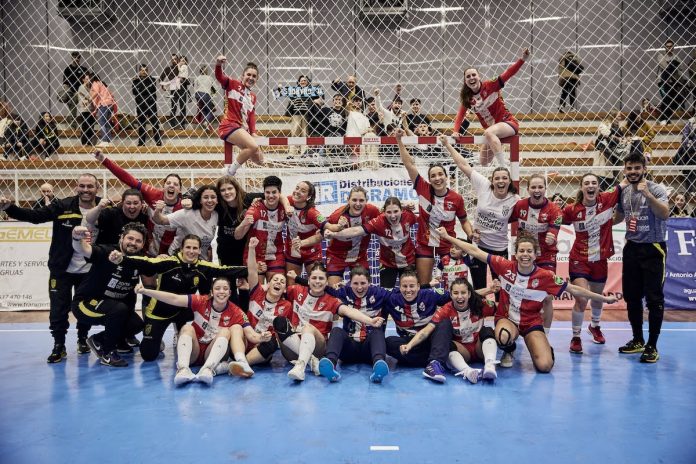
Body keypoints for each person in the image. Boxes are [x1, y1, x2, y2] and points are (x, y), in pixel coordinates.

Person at [438, 229, 617, 373]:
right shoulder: (504, 266)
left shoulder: (545, 276)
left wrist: (603, 298)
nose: (525, 254)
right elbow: (475, 251)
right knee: (502, 336)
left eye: (529, 251)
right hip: (507, 319)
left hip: (531, 322)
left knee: (544, 366)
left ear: (536, 254)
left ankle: (544, 347)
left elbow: (574, 289)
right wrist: (448, 237)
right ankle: (509, 350)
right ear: (515, 254)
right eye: (521, 251)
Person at [0, 174, 99, 362]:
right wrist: (9, 208)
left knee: (84, 308)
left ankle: (82, 339)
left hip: (89, 271)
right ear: (76, 187)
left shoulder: (104, 207)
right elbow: (35, 216)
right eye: (82, 186)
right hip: (61, 269)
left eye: (90, 186)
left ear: (97, 188)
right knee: (58, 310)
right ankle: (59, 345)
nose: (86, 190)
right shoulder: (63, 205)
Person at [114, 234, 247, 362]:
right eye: (188, 247)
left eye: (195, 248)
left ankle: (185, 333)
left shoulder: (203, 266)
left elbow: (226, 270)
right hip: (159, 312)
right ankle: (156, 340)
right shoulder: (168, 262)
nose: (191, 251)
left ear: (199, 250)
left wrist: (252, 270)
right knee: (148, 355)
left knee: (203, 306)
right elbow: (146, 262)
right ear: (181, 249)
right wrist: (122, 260)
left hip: (183, 312)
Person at [135, 276, 261, 385]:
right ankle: (183, 370)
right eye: (217, 288)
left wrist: (263, 337)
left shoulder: (236, 311)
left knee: (226, 331)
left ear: (230, 293)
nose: (221, 292)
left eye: (225, 289)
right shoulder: (201, 301)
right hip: (194, 352)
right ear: (211, 292)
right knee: (187, 328)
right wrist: (146, 291)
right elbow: (174, 298)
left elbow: (251, 334)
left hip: (211, 352)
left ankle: (208, 369)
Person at [275, 264, 385, 382]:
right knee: (279, 321)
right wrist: (266, 286)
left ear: (327, 282)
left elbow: (349, 311)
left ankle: (300, 366)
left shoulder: (332, 300)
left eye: (321, 278)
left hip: (317, 347)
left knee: (308, 327)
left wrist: (370, 321)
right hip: (292, 348)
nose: (317, 281)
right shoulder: (295, 290)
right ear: (308, 279)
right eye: (314, 278)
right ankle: (312, 362)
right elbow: (275, 292)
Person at [442, 135, 518, 296]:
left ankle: (500, 312)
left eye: (504, 178)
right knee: (478, 288)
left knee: (501, 290)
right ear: (492, 181)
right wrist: (447, 145)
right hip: (477, 245)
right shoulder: (484, 185)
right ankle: (479, 313)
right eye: (497, 178)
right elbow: (463, 164)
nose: (501, 181)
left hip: (499, 248)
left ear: (509, 181)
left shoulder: (515, 200)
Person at [397, 130, 473, 285]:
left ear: (446, 176)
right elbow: (409, 164)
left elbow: (464, 220)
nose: (437, 178)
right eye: (433, 176)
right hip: (425, 244)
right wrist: (399, 140)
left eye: (440, 174)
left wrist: (471, 234)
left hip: (448, 246)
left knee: (453, 285)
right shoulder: (423, 188)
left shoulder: (456, 198)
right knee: (424, 285)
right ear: (429, 179)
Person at [615, 151, 670, 363]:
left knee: (654, 298)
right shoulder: (624, 191)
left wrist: (648, 195)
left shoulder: (656, 189)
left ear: (644, 169)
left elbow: (664, 214)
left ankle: (652, 345)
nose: (633, 171)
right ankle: (638, 339)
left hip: (653, 248)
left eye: (637, 168)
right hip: (632, 247)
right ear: (624, 170)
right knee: (632, 297)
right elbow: (618, 217)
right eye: (629, 168)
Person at [70, 223, 147, 367]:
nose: (133, 243)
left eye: (138, 241)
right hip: (85, 304)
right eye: (130, 238)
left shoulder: (139, 261)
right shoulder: (108, 252)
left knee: (136, 324)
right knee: (119, 309)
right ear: (122, 238)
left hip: (112, 307)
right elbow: (84, 249)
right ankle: (108, 353)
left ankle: (99, 340)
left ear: (143, 244)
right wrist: (76, 238)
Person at [562, 173, 622, 354]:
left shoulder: (607, 199)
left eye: (594, 183)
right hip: (579, 259)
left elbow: (626, 180)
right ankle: (576, 337)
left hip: (600, 259)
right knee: (581, 298)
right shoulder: (571, 210)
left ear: (598, 187)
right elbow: (553, 221)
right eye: (586, 183)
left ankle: (595, 326)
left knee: (596, 297)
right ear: (581, 187)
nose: (590, 185)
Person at [408, 277, 498, 384]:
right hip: (462, 351)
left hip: (480, 347)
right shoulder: (445, 310)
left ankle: (490, 366)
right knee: (446, 345)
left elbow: (501, 312)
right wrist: (409, 345)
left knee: (487, 330)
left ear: (469, 294)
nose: (459, 296)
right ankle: (467, 371)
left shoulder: (481, 304)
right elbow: (426, 331)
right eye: (455, 293)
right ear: (450, 295)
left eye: (463, 293)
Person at [309, 266, 390, 383]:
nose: (359, 287)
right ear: (349, 283)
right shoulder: (344, 292)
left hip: (370, 350)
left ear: (369, 282)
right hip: (349, 349)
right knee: (336, 331)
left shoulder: (379, 294)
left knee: (378, 331)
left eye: (363, 283)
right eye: (355, 283)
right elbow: (319, 287)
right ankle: (330, 364)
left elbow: (399, 296)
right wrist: (297, 278)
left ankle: (378, 366)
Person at [95, 151, 183, 257]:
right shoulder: (153, 194)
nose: (171, 186)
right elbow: (128, 179)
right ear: (163, 187)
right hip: (146, 250)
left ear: (180, 190)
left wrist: (190, 201)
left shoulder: (184, 207)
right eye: (168, 183)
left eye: (175, 184)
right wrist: (104, 160)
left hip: (169, 253)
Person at [453, 47, 530, 166]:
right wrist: (455, 131)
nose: (471, 78)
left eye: (473, 75)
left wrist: (523, 59)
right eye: (468, 76)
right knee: (483, 161)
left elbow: (509, 73)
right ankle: (510, 162)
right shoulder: (467, 97)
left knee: (488, 132)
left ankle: (503, 167)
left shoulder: (491, 85)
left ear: (479, 77)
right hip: (492, 132)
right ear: (465, 81)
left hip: (508, 124)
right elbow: (460, 115)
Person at [229, 237, 292, 373]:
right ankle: (241, 362)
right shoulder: (257, 292)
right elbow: (252, 271)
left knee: (272, 342)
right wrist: (252, 248)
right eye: (275, 280)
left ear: (284, 290)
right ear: (268, 284)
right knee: (236, 328)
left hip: (262, 349)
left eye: (282, 282)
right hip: (245, 340)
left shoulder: (287, 306)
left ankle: (242, 364)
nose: (278, 282)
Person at [509, 174, 562, 332]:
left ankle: (546, 335)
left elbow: (554, 231)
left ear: (545, 189)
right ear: (528, 189)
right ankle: (516, 329)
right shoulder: (520, 206)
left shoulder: (554, 209)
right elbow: (504, 218)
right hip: (524, 256)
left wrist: (552, 236)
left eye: (540, 187)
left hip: (545, 256)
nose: (537, 190)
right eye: (533, 187)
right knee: (517, 294)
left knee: (547, 297)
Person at [325, 196, 416, 288]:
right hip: (387, 264)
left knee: (411, 290)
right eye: (389, 212)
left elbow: (423, 222)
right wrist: (334, 234)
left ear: (401, 210)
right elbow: (355, 231)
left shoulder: (409, 216)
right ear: (384, 212)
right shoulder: (378, 222)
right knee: (385, 294)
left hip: (408, 261)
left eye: (396, 211)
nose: (393, 216)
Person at [382, 268, 453, 383]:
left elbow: (457, 297)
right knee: (388, 342)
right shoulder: (391, 299)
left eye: (412, 286)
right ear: (399, 287)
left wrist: (483, 292)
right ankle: (437, 358)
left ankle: (434, 363)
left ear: (418, 286)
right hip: (410, 343)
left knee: (444, 323)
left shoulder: (430, 295)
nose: (408, 290)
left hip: (431, 340)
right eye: (404, 286)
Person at [323, 185, 380, 286]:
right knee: (334, 290)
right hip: (336, 257)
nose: (358, 204)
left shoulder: (372, 211)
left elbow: (386, 216)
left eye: (361, 200)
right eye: (354, 200)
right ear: (348, 200)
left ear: (366, 201)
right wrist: (327, 232)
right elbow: (323, 231)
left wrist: (403, 207)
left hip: (359, 257)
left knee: (364, 288)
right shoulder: (337, 216)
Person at [234, 176, 288, 281]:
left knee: (278, 285)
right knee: (256, 289)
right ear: (264, 193)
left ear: (280, 193)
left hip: (276, 255)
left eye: (274, 192)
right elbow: (237, 236)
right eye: (267, 192)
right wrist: (243, 223)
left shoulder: (284, 206)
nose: (270, 196)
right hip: (255, 256)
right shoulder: (256, 208)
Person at [216, 56, 262, 176]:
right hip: (229, 126)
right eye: (248, 74)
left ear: (257, 79)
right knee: (253, 146)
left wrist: (253, 132)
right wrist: (218, 65)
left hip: (241, 129)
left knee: (259, 160)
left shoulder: (253, 96)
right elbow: (220, 77)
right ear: (242, 76)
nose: (251, 78)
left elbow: (251, 116)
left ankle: (234, 165)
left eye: (254, 76)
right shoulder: (233, 84)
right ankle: (230, 171)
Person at [153, 184, 219, 260]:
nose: (210, 200)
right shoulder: (187, 214)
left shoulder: (217, 215)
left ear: (217, 200)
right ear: (200, 200)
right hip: (179, 258)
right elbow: (161, 220)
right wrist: (158, 210)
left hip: (200, 260)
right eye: (206, 197)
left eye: (213, 197)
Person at [215, 176, 263, 266]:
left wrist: (287, 206)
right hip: (226, 251)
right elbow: (198, 198)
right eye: (223, 190)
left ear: (236, 188)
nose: (227, 192)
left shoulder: (248, 199)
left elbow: (275, 196)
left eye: (230, 188)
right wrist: (188, 199)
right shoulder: (218, 204)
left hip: (245, 250)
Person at [285, 180, 326, 285]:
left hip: (312, 252)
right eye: (297, 188)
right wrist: (257, 199)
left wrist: (302, 243)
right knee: (292, 286)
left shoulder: (312, 213)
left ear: (308, 197)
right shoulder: (288, 201)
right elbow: (279, 196)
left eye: (303, 191)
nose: (297, 192)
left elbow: (325, 232)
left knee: (316, 284)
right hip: (292, 250)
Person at [84, 189, 148, 246]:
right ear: (122, 203)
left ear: (141, 203)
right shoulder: (112, 213)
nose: (132, 206)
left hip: (132, 252)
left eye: (135, 203)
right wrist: (98, 207)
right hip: (107, 251)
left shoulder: (145, 216)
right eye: (128, 203)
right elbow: (89, 219)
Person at [285, 75, 315, 157]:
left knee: (305, 134)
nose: (303, 82)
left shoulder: (311, 92)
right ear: (298, 82)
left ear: (308, 82)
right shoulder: (294, 92)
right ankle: (292, 153)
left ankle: (304, 152)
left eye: (305, 80)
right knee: (294, 133)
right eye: (301, 80)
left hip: (306, 115)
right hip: (296, 114)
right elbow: (290, 102)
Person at [132, 64, 162, 146]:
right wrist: (141, 85)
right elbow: (134, 91)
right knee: (141, 124)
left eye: (145, 70)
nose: (143, 72)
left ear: (148, 71)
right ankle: (141, 142)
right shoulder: (135, 80)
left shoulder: (152, 80)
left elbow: (151, 89)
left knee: (155, 123)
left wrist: (140, 88)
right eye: (142, 70)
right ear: (139, 71)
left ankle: (158, 142)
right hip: (141, 105)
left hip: (151, 104)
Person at [657, 39, 685, 125]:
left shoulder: (676, 57)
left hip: (673, 82)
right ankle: (663, 119)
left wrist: (673, 65)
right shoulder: (661, 56)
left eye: (671, 46)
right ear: (665, 47)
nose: (669, 48)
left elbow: (680, 68)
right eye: (667, 46)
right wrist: (674, 64)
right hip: (663, 82)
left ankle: (666, 119)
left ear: (673, 47)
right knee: (666, 99)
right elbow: (665, 67)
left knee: (671, 101)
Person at [61, 51, 88, 127]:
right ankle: (73, 124)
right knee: (70, 100)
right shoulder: (68, 69)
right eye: (74, 57)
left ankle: (76, 123)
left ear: (80, 59)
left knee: (74, 101)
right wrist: (68, 92)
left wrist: (82, 90)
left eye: (78, 57)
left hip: (82, 92)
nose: (76, 59)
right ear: (72, 58)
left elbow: (88, 82)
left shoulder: (83, 69)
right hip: (71, 92)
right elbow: (65, 84)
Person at [90, 74, 116, 147]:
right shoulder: (102, 84)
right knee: (107, 123)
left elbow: (96, 92)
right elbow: (112, 95)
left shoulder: (95, 83)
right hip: (110, 104)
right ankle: (109, 141)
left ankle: (104, 140)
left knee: (102, 122)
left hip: (104, 104)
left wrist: (89, 99)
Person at [193, 65, 217, 133]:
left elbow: (195, 88)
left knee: (203, 110)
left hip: (198, 95)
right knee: (210, 111)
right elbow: (215, 88)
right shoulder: (210, 78)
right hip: (206, 95)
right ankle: (206, 122)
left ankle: (206, 127)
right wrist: (213, 97)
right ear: (206, 71)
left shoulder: (197, 78)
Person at [159, 53, 180, 126]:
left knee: (182, 107)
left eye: (175, 59)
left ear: (178, 59)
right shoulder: (168, 69)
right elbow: (161, 78)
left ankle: (182, 124)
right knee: (174, 106)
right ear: (171, 60)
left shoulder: (181, 67)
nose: (174, 60)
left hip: (182, 89)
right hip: (173, 89)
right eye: (172, 59)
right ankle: (172, 124)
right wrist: (162, 86)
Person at [77, 72, 95, 146]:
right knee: (85, 126)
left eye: (89, 79)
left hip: (92, 109)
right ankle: (84, 142)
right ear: (83, 80)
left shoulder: (90, 87)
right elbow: (89, 96)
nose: (89, 80)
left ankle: (89, 142)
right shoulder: (81, 87)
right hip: (84, 110)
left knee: (91, 126)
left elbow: (91, 98)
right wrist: (94, 95)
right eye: (87, 79)